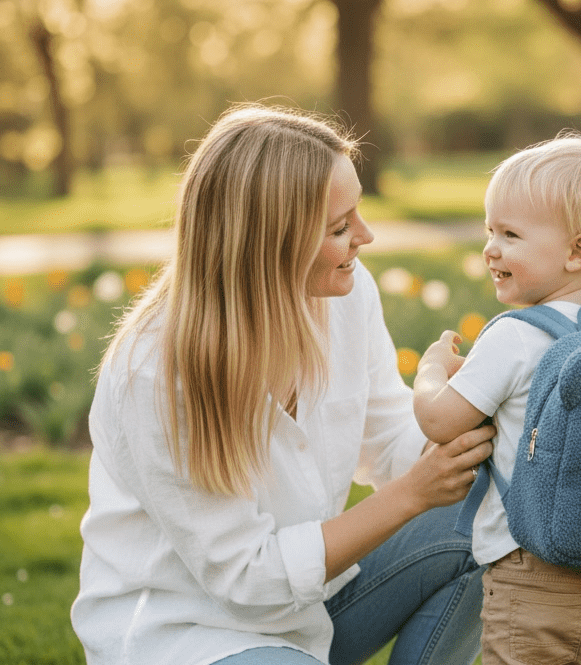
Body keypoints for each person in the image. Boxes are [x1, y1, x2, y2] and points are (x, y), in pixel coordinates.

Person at [70, 103, 496, 665]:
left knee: (486, 529)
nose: (364, 237)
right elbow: (246, 578)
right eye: (340, 227)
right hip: (188, 630)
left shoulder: (344, 294)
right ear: (269, 244)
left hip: (315, 604)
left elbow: (391, 443)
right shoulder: (155, 374)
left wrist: (463, 407)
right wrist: (412, 494)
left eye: (357, 214)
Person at [412, 133, 581, 665]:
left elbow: (440, 420)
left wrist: (431, 372)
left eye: (510, 234)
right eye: (489, 231)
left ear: (578, 251)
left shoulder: (513, 336)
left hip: (537, 578)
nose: (490, 249)